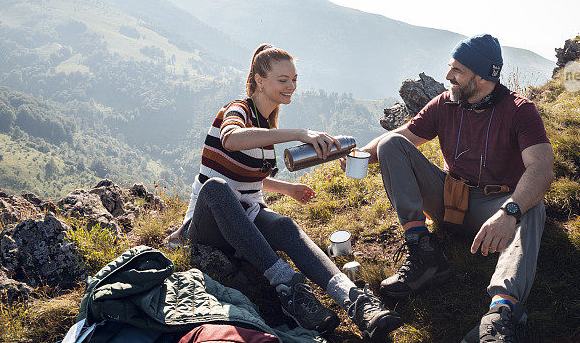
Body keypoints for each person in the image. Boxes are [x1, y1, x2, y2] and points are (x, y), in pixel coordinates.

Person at [165, 44, 402, 340]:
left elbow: (245, 178)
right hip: (207, 227)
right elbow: (230, 141)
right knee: (214, 188)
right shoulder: (238, 109)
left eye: (294, 79)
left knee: (284, 225)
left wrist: (287, 188)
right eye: (282, 80)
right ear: (260, 80)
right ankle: (290, 289)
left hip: (244, 218)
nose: (291, 86)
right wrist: (298, 133)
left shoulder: (266, 127)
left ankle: (355, 301)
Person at [343, 34, 554, 343]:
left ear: (482, 77)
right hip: (449, 199)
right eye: (450, 67)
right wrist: (356, 156)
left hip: (493, 208)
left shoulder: (519, 110)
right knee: (391, 143)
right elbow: (402, 137)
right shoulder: (446, 103)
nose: (448, 76)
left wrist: (509, 211)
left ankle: (500, 316)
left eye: (457, 70)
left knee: (532, 207)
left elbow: (542, 168)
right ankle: (423, 252)